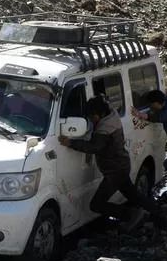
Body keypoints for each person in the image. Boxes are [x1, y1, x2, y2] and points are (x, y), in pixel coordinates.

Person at [59, 95, 161, 231]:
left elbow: (94, 147)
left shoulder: (105, 128)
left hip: (115, 171)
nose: (91, 119)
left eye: (92, 116)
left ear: (100, 114)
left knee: (96, 204)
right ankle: (159, 214)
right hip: (121, 165)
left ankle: (131, 214)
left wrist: (71, 142)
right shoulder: (112, 115)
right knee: (134, 195)